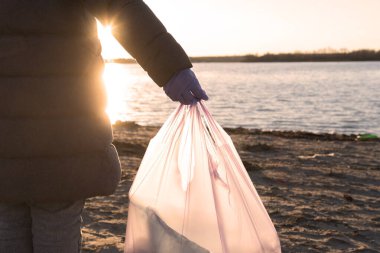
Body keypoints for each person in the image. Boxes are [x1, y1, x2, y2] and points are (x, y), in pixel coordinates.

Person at [0, 0, 208, 252]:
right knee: (53, 222)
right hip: (65, 133)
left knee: (9, 221)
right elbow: (120, 7)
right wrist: (172, 70)